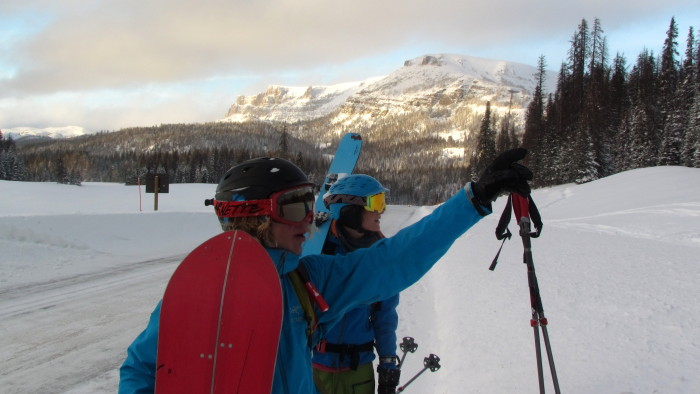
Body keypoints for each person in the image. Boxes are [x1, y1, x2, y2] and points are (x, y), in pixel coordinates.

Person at [119, 149, 532, 394]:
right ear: (255, 217)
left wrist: (474, 199)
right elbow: (140, 368)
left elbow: (392, 261)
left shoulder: (308, 279)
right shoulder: (199, 292)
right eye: (295, 206)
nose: (309, 220)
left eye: (310, 204)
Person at [311, 174, 400, 394]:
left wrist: (388, 364)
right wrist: (307, 229)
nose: (381, 211)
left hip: (357, 371)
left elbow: (385, 315)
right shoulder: (320, 249)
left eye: (382, 202)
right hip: (313, 367)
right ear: (350, 209)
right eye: (376, 203)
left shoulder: (381, 255)